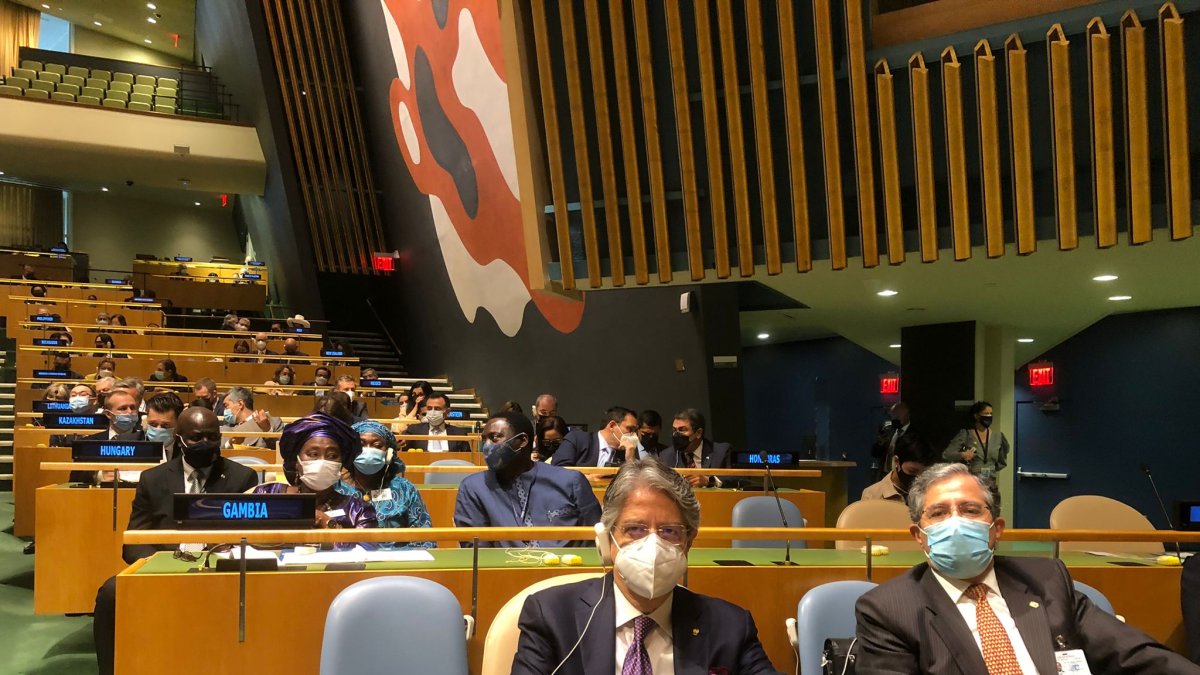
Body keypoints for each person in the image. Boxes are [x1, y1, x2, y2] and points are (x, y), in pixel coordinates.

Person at [853, 462, 1200, 673]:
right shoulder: (889, 609)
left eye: (971, 510)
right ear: (919, 535)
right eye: (939, 513)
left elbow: (1135, 655)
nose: (956, 523)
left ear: (996, 529)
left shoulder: (1046, 580)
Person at [511, 459, 778, 674]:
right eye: (635, 529)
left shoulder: (730, 626)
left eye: (669, 531)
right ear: (607, 540)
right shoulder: (551, 615)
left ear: (688, 543)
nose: (653, 544)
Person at [92, 406, 258, 675]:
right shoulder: (152, 479)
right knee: (111, 592)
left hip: (220, 568)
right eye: (196, 437)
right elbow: (135, 540)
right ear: (178, 438)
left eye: (212, 437)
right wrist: (161, 564)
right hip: (164, 564)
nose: (205, 443)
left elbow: (249, 536)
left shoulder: (242, 477)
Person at [454, 411, 601, 547]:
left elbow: (595, 540)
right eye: (484, 439)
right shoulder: (474, 488)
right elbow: (476, 550)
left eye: (494, 438)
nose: (486, 446)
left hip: (568, 566)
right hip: (502, 566)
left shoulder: (570, 481)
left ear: (522, 441)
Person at [253, 413, 377, 533]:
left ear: (341, 464)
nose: (322, 461)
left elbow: (366, 545)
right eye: (313, 454)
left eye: (332, 456)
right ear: (296, 461)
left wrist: (327, 523)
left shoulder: (360, 511)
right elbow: (246, 538)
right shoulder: (267, 495)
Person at [337, 420, 433, 548]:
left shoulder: (404, 488)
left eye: (377, 445)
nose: (368, 450)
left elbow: (424, 537)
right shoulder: (336, 489)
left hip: (397, 559)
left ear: (388, 454)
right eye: (361, 444)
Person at [657, 409, 733, 488]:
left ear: (698, 433)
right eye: (674, 430)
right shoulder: (666, 456)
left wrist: (709, 481)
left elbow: (736, 479)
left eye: (682, 430)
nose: (676, 435)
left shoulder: (721, 451)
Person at [553, 406, 641, 468]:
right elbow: (558, 470)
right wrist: (587, 478)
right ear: (612, 426)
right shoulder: (577, 439)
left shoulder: (630, 450)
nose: (633, 434)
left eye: (635, 430)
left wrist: (630, 461)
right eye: (630, 429)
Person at [943, 401, 1009, 480]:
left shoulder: (998, 436)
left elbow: (1001, 462)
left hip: (990, 482)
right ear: (976, 416)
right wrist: (962, 455)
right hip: (971, 480)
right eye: (986, 413)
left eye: (991, 413)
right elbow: (946, 455)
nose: (989, 416)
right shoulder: (966, 434)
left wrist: (991, 468)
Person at [862, 433, 936, 502]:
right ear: (896, 461)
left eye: (924, 473)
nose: (918, 478)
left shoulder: (932, 494)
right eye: (912, 471)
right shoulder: (872, 495)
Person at [403, 393, 471, 452]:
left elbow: (468, 459)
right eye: (429, 408)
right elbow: (402, 454)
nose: (432, 412)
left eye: (437, 409)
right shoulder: (414, 431)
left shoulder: (459, 434)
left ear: (447, 412)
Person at [871, 401, 912, 481]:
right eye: (893, 415)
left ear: (907, 414)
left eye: (898, 415)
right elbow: (875, 453)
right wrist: (880, 444)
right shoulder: (889, 431)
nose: (895, 418)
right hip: (885, 475)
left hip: (903, 477)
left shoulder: (913, 433)